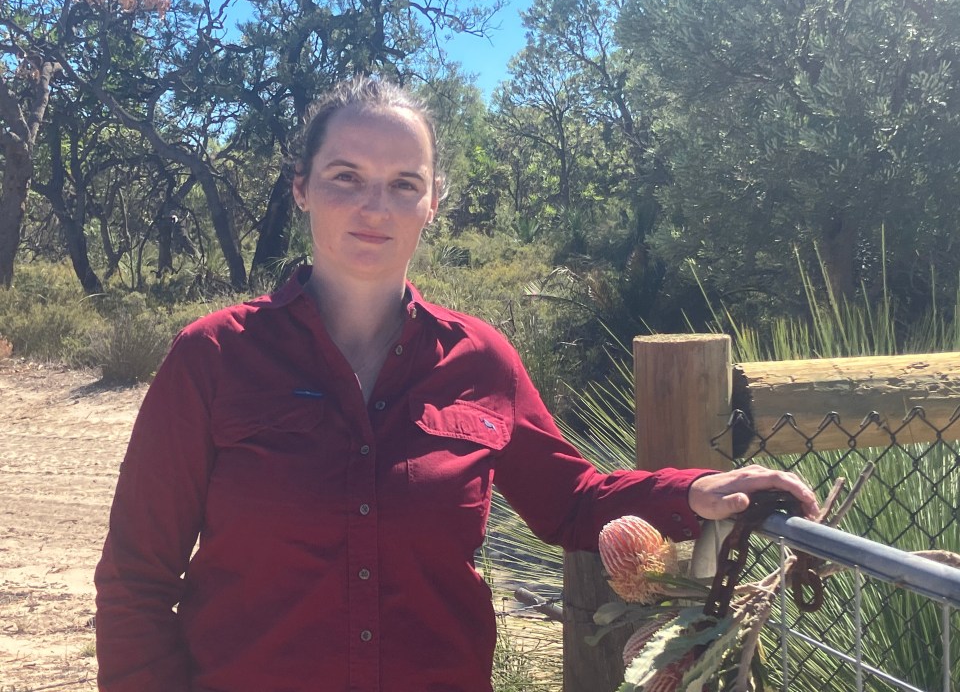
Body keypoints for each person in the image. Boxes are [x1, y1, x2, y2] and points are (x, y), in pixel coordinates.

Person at [94, 76, 818, 692]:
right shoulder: (215, 356)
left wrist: (692, 494)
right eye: (345, 176)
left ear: (433, 201)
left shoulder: (481, 361)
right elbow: (136, 579)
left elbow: (569, 501)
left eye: (403, 184)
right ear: (301, 189)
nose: (375, 206)